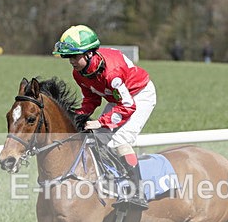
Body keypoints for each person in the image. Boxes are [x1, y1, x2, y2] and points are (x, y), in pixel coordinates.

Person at [52, 24, 156, 210]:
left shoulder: (111, 73)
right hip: (117, 99)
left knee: (119, 140)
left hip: (139, 96)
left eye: (74, 56)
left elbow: (128, 106)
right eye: (68, 57)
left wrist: (100, 122)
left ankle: (136, 192)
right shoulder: (79, 73)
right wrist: (79, 117)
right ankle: (110, 181)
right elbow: (91, 99)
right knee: (96, 138)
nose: (71, 62)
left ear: (89, 53)